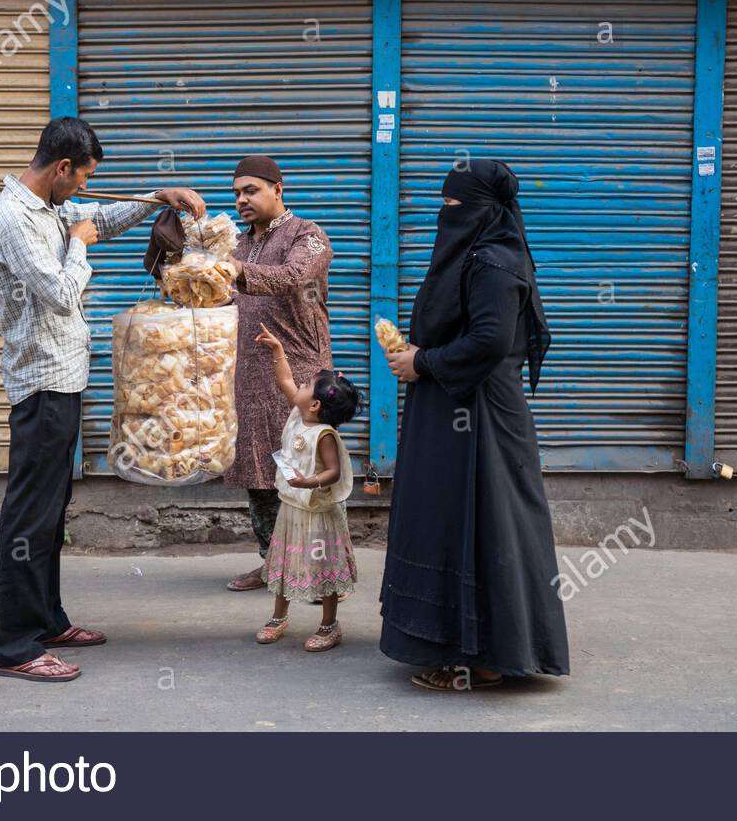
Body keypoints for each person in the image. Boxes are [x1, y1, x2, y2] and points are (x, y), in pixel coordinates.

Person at [0, 117, 205, 683]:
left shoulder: (47, 208)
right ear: (62, 169)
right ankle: (14, 646)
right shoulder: (14, 219)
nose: (84, 188)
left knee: (51, 513)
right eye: (82, 178)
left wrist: (156, 197)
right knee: (29, 516)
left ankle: (47, 620)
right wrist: (78, 246)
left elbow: (95, 221)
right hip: (40, 383)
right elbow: (59, 293)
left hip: (64, 377)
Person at [379, 159, 569, 690]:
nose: (445, 213)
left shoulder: (493, 262)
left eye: (452, 204)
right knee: (452, 519)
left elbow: (488, 340)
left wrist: (424, 362)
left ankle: (484, 658)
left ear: (481, 209)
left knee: (484, 521)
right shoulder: (480, 255)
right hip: (452, 409)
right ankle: (455, 642)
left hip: (480, 416)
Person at [222, 155, 335, 593]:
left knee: (299, 468)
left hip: (300, 372)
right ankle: (272, 560)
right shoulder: (236, 242)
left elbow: (292, 277)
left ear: (277, 190)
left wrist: (236, 270)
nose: (241, 199)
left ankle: (315, 563)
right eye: (236, 193)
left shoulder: (307, 236)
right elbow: (220, 292)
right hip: (247, 373)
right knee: (257, 472)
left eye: (250, 190)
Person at [251, 323, 360, 652]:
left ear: (316, 405)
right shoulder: (299, 413)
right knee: (284, 564)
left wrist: (308, 481)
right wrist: (278, 351)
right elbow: (284, 378)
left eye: (306, 384)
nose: (298, 383)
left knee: (324, 570)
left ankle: (329, 625)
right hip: (292, 509)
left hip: (317, 514)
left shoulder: (324, 435)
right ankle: (278, 617)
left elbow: (333, 471)